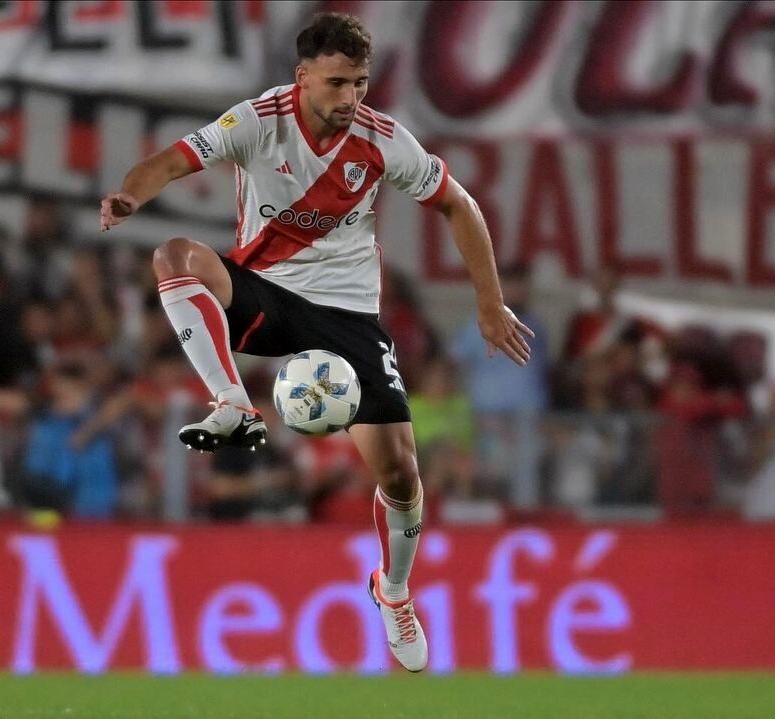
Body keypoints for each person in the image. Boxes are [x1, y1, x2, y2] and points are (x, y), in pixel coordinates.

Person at [99, 12, 533, 673]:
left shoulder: (381, 139)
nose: (350, 98)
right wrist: (130, 195)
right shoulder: (255, 121)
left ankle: (392, 590)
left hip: (348, 314)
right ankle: (232, 402)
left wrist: (488, 299)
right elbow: (168, 162)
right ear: (302, 78)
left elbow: (459, 204)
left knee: (400, 472)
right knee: (174, 256)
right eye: (336, 83)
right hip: (265, 294)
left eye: (359, 82)